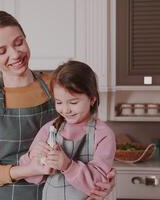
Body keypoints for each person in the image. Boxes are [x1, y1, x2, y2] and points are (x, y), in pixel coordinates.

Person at [0, 10, 115, 200]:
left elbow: (90, 139)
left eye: (19, 42)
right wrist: (28, 169)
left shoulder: (56, 83)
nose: (15, 54)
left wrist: (104, 180)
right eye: (2, 51)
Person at [19, 60, 116, 200]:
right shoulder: (49, 130)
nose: (65, 110)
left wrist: (68, 166)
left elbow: (99, 184)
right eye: (59, 102)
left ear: (92, 99)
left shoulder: (103, 134)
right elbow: (30, 178)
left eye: (73, 102)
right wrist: (34, 157)